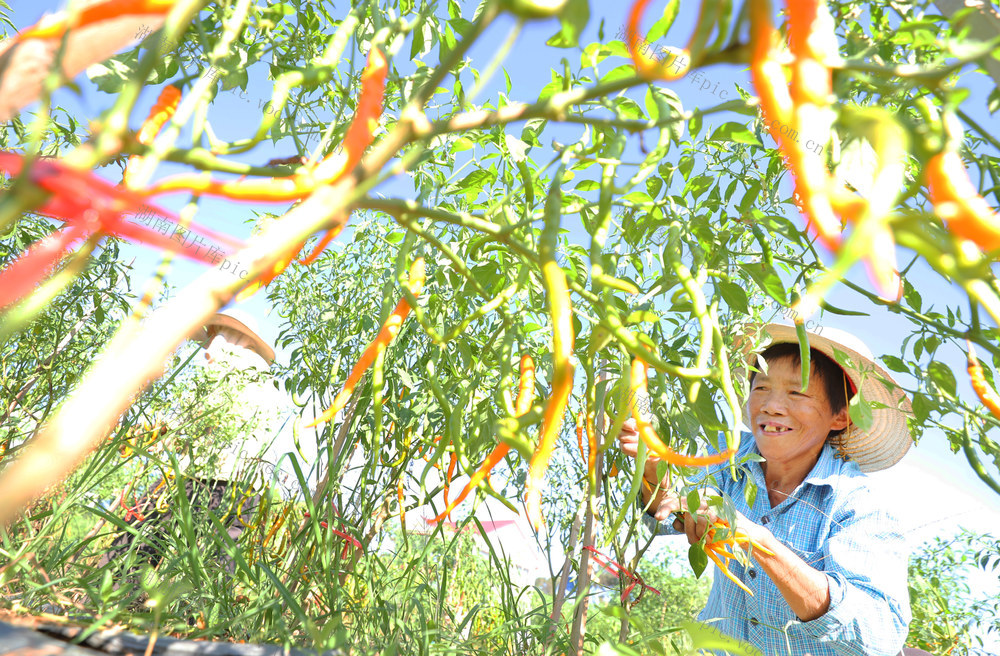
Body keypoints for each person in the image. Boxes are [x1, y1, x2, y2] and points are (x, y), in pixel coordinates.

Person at [619, 323, 913, 656]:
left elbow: (878, 636)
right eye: (761, 387)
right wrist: (655, 469)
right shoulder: (728, 457)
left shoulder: (857, 502)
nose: (771, 405)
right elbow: (666, 515)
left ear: (840, 415)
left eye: (796, 392)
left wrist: (759, 541)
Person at [98, 309, 288, 591]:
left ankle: (109, 599)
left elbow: (196, 417)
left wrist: (160, 430)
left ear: (237, 338)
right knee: (219, 558)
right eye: (211, 335)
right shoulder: (264, 377)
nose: (208, 347)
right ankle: (199, 625)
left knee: (140, 536)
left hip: (204, 477)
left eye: (216, 335)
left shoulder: (237, 365)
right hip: (244, 484)